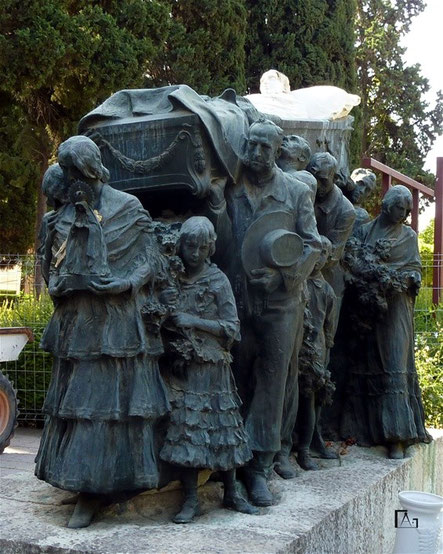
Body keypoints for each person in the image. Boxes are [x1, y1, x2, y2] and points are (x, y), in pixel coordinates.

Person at [35, 135, 170, 528]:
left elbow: (151, 263)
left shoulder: (128, 209)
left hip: (117, 325)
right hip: (78, 323)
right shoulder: (64, 212)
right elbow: (53, 265)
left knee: (108, 408)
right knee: (78, 407)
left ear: (91, 170)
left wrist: (124, 284)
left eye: (73, 170)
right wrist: (58, 283)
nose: (67, 177)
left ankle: (97, 490)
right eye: (64, 170)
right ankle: (82, 483)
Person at [208, 119, 321, 503]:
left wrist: (283, 278)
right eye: (251, 146)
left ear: (277, 152)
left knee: (271, 385)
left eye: (264, 148)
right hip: (236, 300)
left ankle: (259, 469)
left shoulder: (295, 191)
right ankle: (229, 467)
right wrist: (216, 206)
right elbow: (220, 244)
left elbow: (313, 247)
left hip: (279, 305)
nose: (256, 154)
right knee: (235, 380)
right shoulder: (232, 186)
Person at [158, 216, 257, 523]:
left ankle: (232, 492)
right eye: (190, 245)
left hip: (213, 367)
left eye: (202, 246)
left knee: (223, 430)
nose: (195, 252)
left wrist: (195, 322)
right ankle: (190, 499)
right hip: (185, 368)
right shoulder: (172, 280)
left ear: (211, 247)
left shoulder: (218, 281)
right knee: (188, 432)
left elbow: (232, 327)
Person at [340, 186, 430, 458]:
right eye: (398, 209)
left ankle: (397, 437)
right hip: (367, 309)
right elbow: (352, 262)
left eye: (405, 211)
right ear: (385, 205)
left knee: (394, 362)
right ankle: (364, 429)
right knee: (366, 361)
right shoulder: (364, 231)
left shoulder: (409, 236)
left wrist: (408, 278)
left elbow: (415, 268)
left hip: (396, 307)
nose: (402, 216)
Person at [296, 237, 337, 470]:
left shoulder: (327, 291)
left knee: (312, 400)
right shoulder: (299, 283)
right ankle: (293, 445)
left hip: (317, 351)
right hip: (296, 347)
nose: (317, 259)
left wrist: (325, 352)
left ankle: (306, 448)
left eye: (323, 254)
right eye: (314, 253)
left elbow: (330, 327)